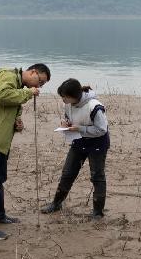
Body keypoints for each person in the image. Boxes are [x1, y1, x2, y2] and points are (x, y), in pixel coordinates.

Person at [0, 64, 50, 240]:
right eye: (40, 81)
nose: (39, 87)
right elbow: (1, 96)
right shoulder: (8, 76)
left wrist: (18, 124)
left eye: (41, 85)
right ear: (33, 72)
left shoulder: (19, 86)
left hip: (0, 141)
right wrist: (29, 93)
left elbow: (10, 108)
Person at [41, 78, 110, 220]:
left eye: (64, 97)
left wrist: (79, 128)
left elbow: (102, 130)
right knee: (67, 173)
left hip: (97, 144)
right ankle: (56, 203)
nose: (63, 99)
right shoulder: (68, 105)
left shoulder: (95, 106)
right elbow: (70, 118)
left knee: (97, 176)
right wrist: (67, 123)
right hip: (78, 140)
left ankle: (98, 212)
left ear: (74, 95)